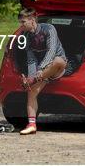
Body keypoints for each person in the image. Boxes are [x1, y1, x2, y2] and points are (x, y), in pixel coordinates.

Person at [17, 7, 67, 135]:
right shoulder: (26, 36)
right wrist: (31, 76)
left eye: (23, 22)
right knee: (31, 91)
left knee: (58, 61)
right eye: (20, 22)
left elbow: (51, 51)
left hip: (55, 67)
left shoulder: (49, 29)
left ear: (32, 20)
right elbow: (31, 58)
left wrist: (41, 69)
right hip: (41, 73)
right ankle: (32, 124)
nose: (21, 25)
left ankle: (33, 79)